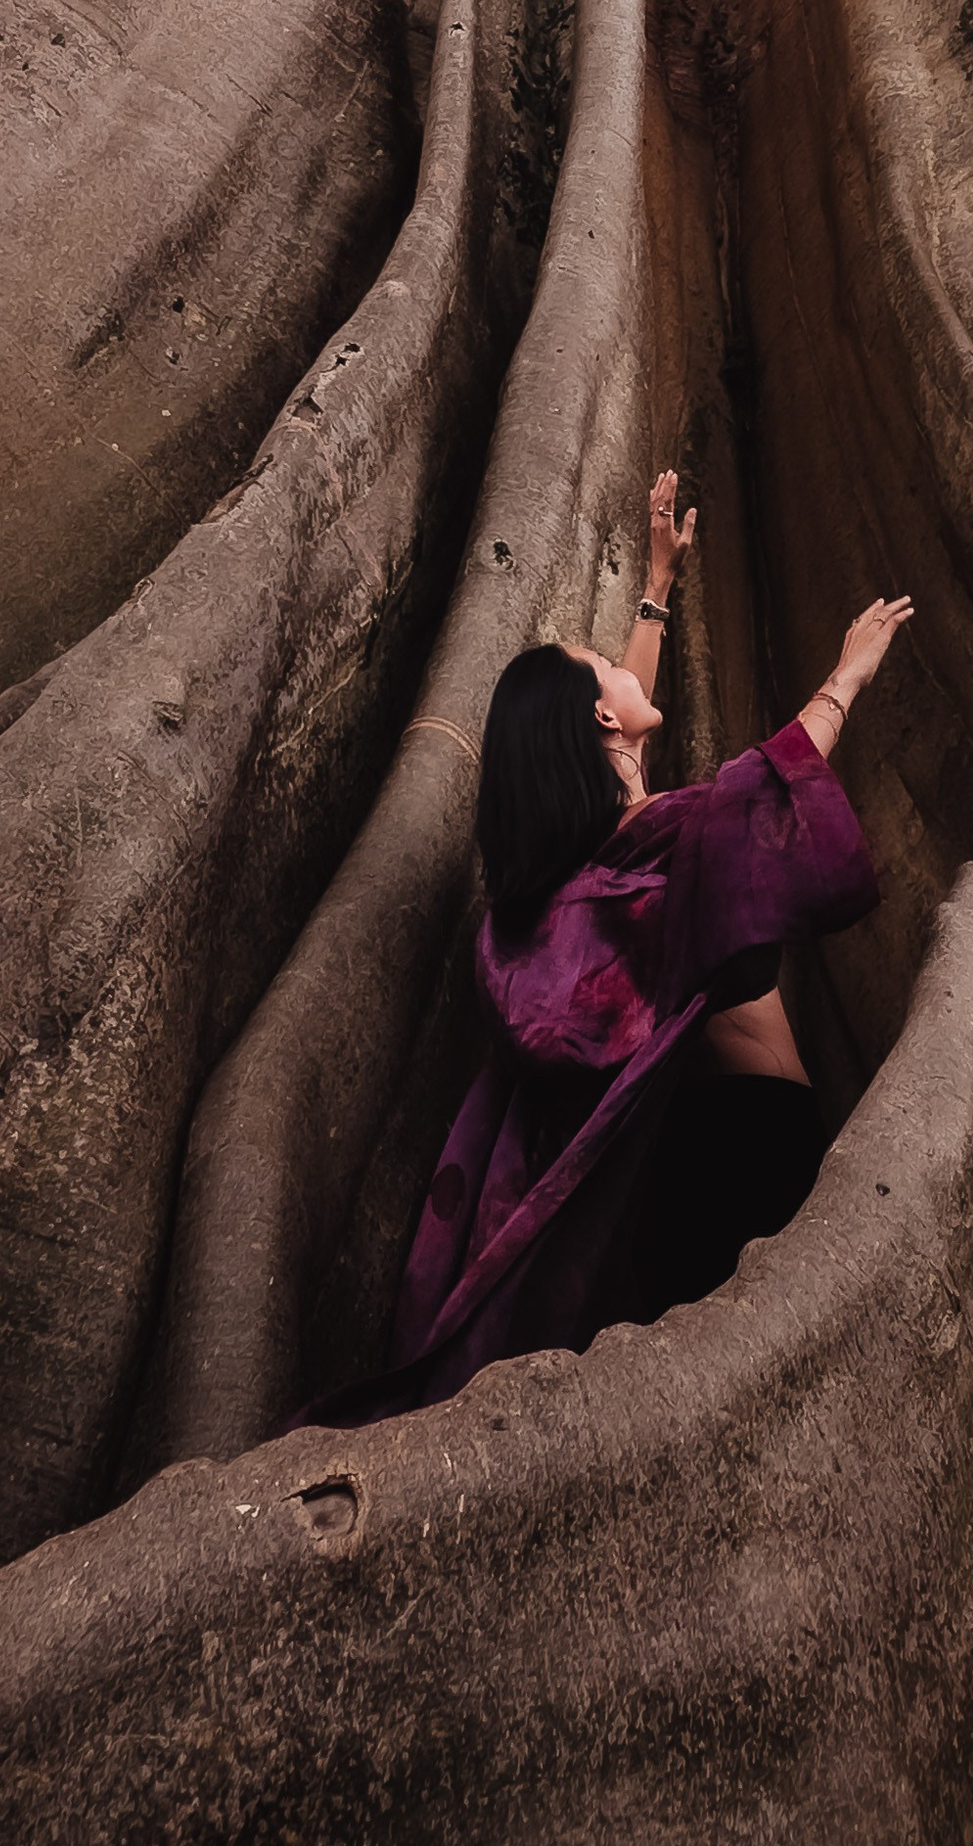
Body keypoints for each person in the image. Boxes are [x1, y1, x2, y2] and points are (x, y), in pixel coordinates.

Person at [319, 477, 908, 1425]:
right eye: (604, 665)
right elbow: (758, 798)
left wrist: (658, 586)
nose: (625, 670)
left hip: (675, 1181)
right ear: (601, 718)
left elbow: (628, 752)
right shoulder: (663, 840)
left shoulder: (600, 865)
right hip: (755, 1151)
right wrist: (847, 676)